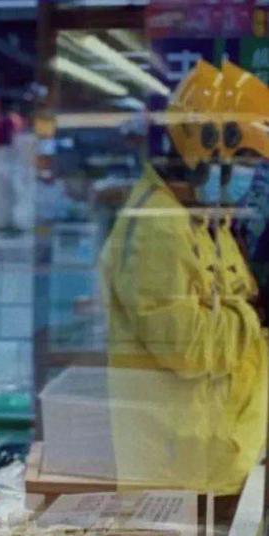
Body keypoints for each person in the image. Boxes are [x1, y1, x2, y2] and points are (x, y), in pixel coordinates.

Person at [100, 58, 269, 498]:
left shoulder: (204, 219)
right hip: (179, 483)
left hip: (219, 464)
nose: (251, 177)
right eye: (247, 161)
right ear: (210, 150)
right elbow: (186, 347)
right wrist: (254, 315)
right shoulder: (158, 224)